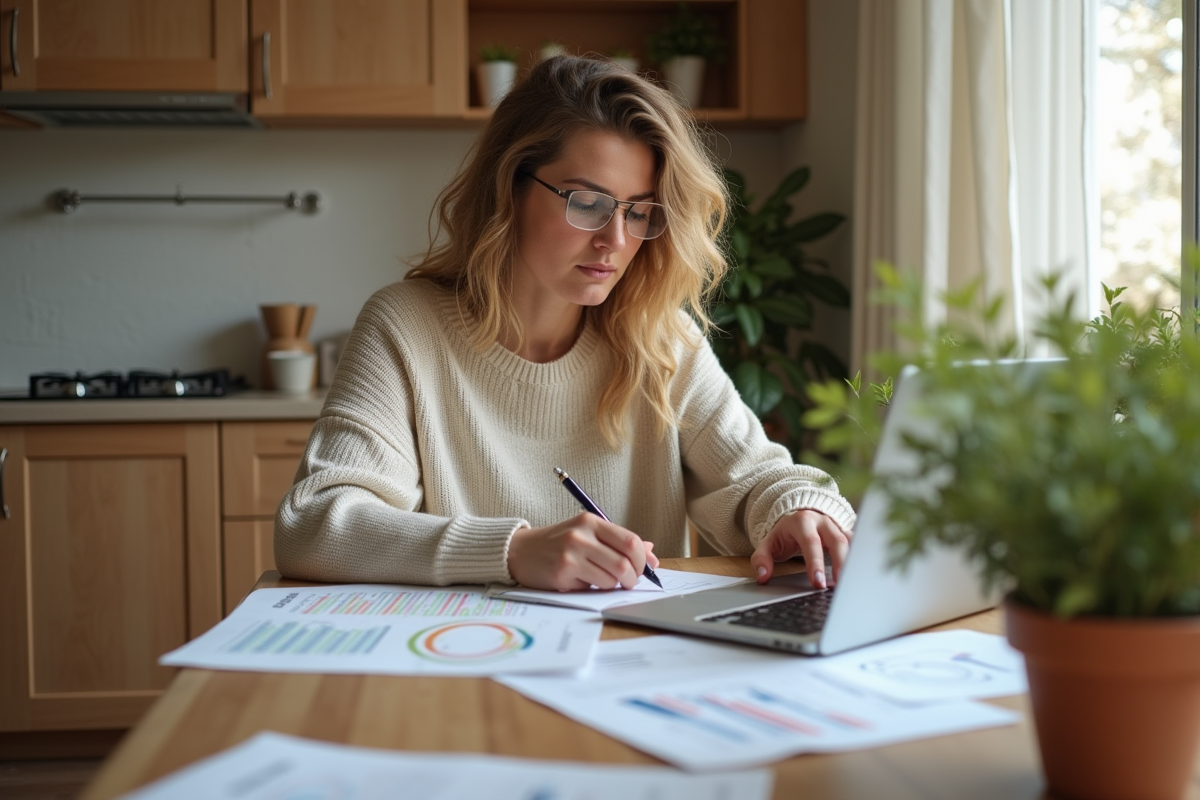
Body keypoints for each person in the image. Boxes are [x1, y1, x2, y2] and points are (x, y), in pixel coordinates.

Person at [275, 55, 856, 593]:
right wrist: (511, 552)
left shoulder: (660, 340)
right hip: (463, 666)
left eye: (638, 211)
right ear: (510, 189)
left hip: (631, 660)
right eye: (586, 202)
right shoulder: (407, 327)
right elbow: (315, 524)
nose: (616, 239)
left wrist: (800, 510)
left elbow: (759, 479)